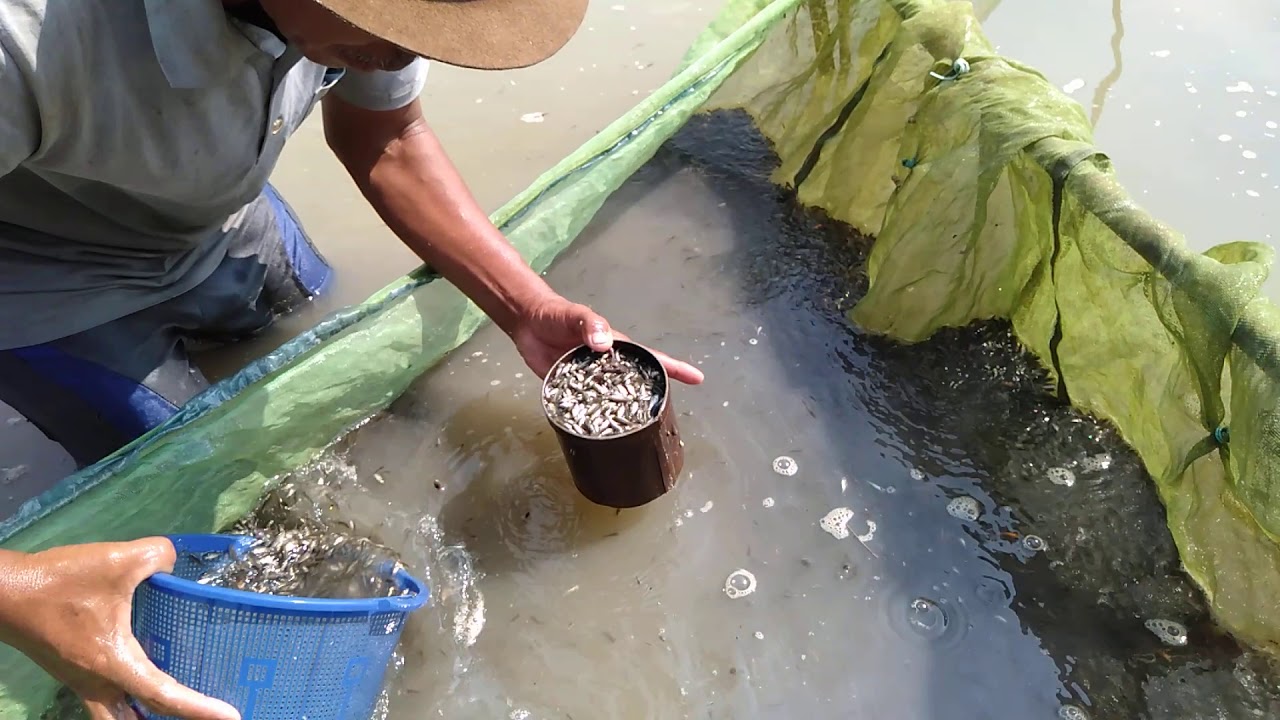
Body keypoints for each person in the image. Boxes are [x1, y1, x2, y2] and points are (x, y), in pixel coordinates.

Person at [0, 1, 705, 718]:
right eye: (380, 21)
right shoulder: (21, 40)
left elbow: (390, 136)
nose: (404, 55)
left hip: (215, 220)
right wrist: (21, 592)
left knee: (315, 345)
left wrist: (525, 307)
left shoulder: (372, 26)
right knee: (236, 495)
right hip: (46, 297)